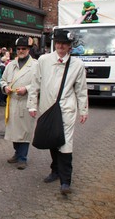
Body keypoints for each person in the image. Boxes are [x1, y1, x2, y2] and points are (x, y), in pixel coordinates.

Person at [27, 29, 88, 195]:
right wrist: (32, 105)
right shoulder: (44, 60)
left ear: (70, 46)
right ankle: (55, 171)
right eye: (59, 43)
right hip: (47, 108)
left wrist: (83, 110)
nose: (61, 46)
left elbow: (81, 89)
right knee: (53, 139)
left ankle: (65, 181)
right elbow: (35, 84)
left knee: (65, 143)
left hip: (67, 109)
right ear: (55, 44)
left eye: (65, 44)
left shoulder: (77, 65)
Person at [0, 37, 37, 170]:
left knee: (24, 131)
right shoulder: (10, 65)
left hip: (26, 102)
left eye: (24, 49)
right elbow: (2, 80)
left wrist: (26, 89)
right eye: (19, 49)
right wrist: (5, 88)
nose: (21, 51)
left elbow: (39, 84)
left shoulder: (35, 65)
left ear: (29, 50)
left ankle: (23, 158)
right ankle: (16, 153)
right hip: (13, 102)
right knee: (14, 131)